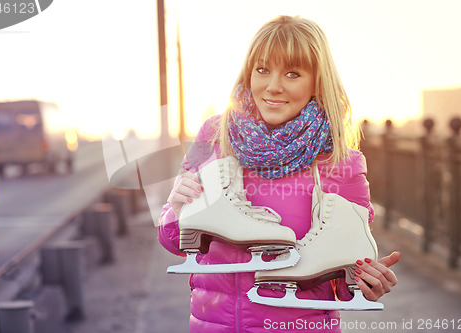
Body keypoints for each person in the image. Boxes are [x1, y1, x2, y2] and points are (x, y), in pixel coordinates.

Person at [158, 15, 400, 333]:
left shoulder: (342, 162)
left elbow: (341, 277)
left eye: (292, 73)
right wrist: (176, 209)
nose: (273, 86)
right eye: (262, 70)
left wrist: (365, 284)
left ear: (317, 81)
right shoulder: (215, 135)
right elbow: (174, 241)